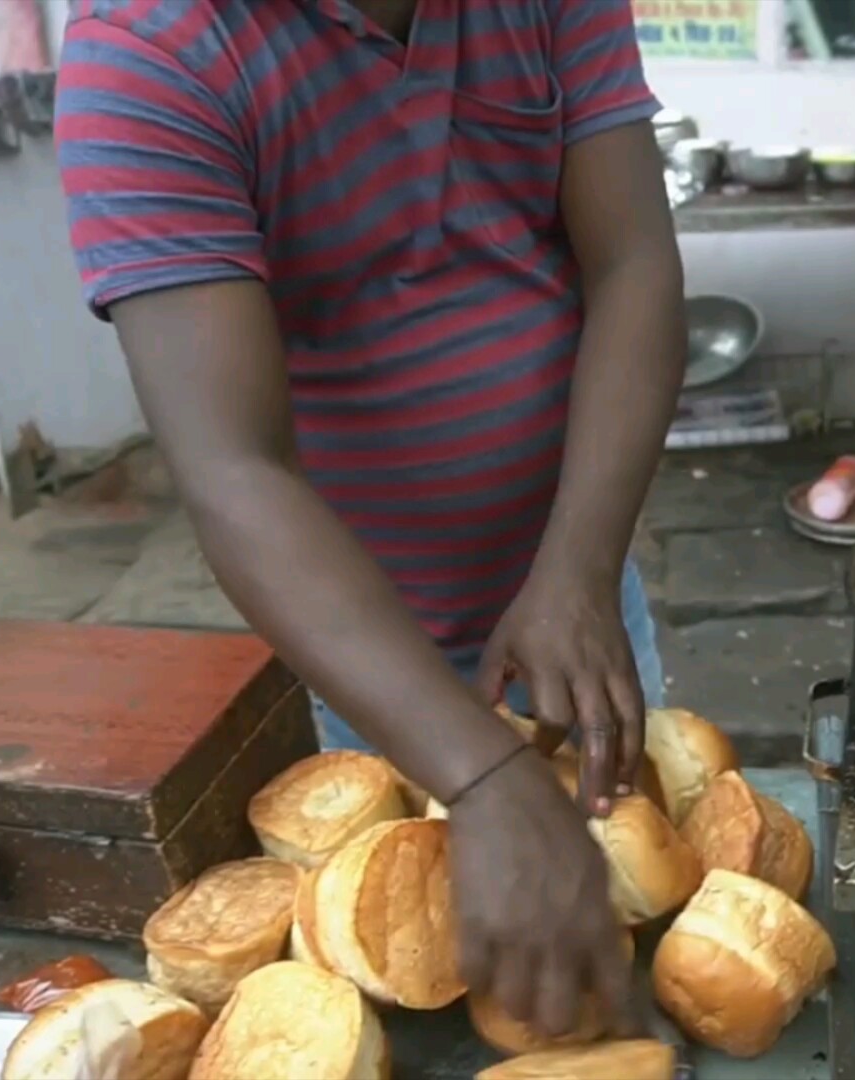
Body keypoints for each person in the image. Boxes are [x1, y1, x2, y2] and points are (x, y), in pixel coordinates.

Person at [55, 0, 684, 1040]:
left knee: (631, 931)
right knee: (420, 982)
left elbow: (634, 266)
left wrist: (576, 570)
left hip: (580, 586)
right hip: (370, 655)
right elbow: (233, 468)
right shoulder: (151, 50)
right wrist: (479, 770)